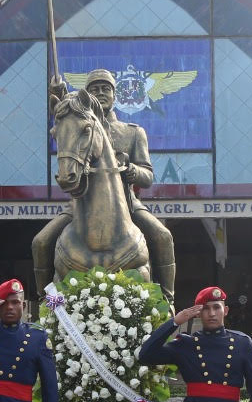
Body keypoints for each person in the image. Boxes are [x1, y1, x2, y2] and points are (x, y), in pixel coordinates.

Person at [32, 68, 176, 299]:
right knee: (40, 242)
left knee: (162, 236)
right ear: (87, 96)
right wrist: (59, 94)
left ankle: (168, 297)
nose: (100, 93)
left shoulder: (132, 132)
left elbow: (147, 176)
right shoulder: (79, 121)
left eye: (105, 88)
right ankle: (45, 300)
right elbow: (66, 121)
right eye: (94, 89)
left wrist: (130, 170)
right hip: (80, 205)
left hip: (127, 204)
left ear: (114, 94)